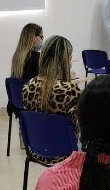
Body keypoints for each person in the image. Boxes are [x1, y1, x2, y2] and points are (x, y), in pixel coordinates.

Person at [22, 36, 80, 165]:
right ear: (65, 60)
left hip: (36, 150)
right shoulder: (69, 90)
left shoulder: (28, 87)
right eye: (70, 57)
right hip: (66, 152)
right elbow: (82, 125)